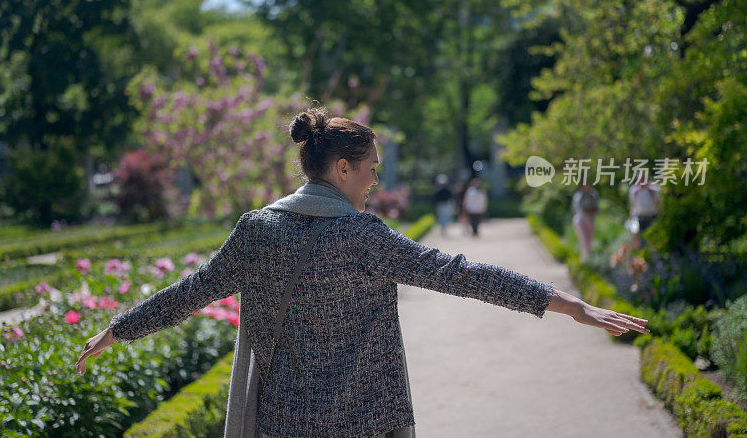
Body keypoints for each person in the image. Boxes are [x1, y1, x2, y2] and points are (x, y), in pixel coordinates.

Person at [76, 107, 650, 438]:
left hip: (283, 423)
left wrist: (120, 327)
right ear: (343, 167)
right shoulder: (363, 236)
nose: (374, 181)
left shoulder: (258, 229)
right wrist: (562, 303)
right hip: (366, 421)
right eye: (370, 170)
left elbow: (193, 292)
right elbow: (459, 273)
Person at [628, 175, 660, 249]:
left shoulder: (653, 190)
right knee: (641, 241)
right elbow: (633, 204)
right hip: (640, 218)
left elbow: (658, 203)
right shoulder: (634, 190)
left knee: (653, 240)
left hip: (652, 217)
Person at [571, 180, 599, 261]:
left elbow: (596, 207)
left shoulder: (593, 194)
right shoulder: (579, 196)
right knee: (585, 243)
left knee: (589, 243)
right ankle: (584, 261)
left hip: (590, 220)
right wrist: (588, 211)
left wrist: (592, 211)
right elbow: (577, 209)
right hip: (580, 221)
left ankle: (587, 261)